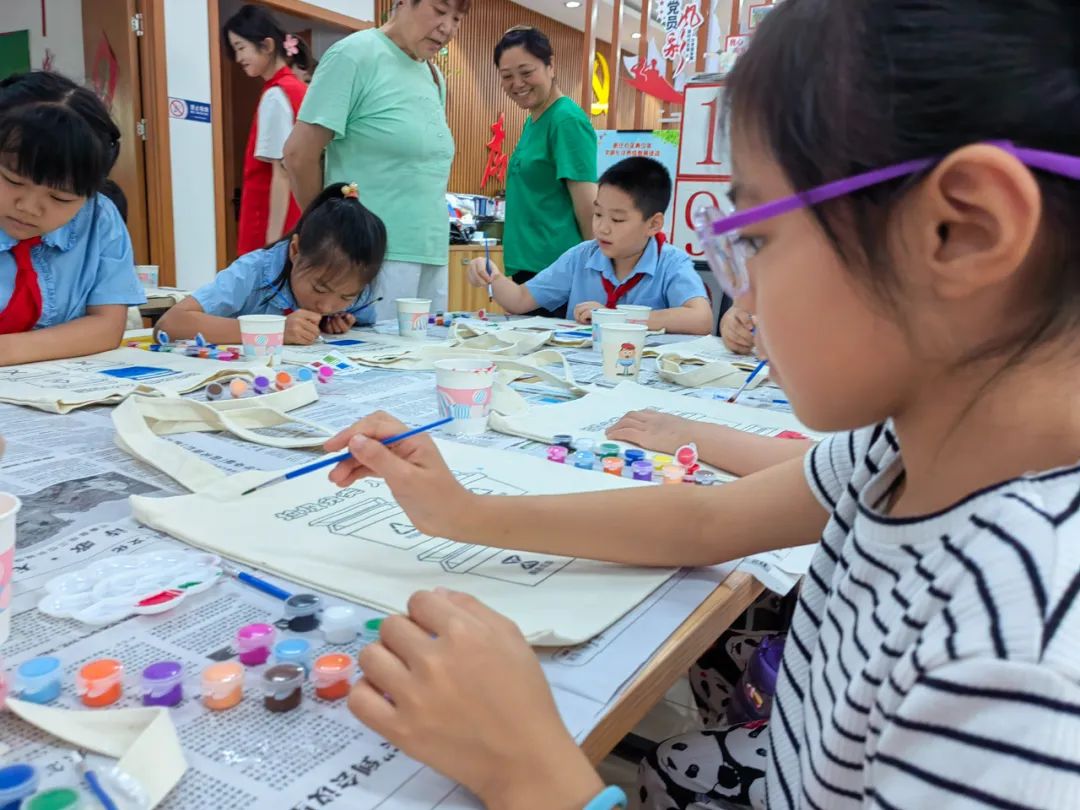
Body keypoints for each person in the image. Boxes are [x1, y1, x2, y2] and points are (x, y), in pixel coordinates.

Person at [320, 1, 1080, 807]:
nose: (740, 298)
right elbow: (707, 520)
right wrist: (462, 513)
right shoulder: (906, 450)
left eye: (756, 238)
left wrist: (528, 771)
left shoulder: (1020, 674)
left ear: (963, 232)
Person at [284, 0, 471, 322]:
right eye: (440, 11)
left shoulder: (433, 76)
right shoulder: (355, 54)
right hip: (368, 256)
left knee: (427, 351)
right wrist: (328, 234)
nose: (448, 28)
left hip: (431, 252)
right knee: (370, 352)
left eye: (457, 18)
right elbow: (299, 154)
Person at [471, 157, 712, 333]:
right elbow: (520, 299)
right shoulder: (582, 256)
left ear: (653, 224)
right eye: (598, 214)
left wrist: (616, 318)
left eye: (617, 219)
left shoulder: (670, 262)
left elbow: (701, 319)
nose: (602, 228)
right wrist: (493, 276)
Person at [0, 71, 143, 366]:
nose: (29, 207)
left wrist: (8, 351)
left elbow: (106, 326)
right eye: (12, 181)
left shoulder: (99, 219)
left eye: (60, 198)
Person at [155, 183, 385, 346]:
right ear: (295, 251)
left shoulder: (356, 284)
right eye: (319, 288)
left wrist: (339, 322)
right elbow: (169, 324)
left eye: (345, 297)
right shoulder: (253, 271)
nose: (327, 305)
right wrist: (274, 331)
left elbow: (362, 320)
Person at [474, 27, 597, 296]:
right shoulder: (534, 120)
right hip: (530, 270)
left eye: (527, 72)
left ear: (551, 66)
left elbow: (589, 208)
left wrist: (595, 278)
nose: (517, 83)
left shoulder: (566, 120)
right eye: (507, 76)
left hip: (557, 272)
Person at [223, 4, 308, 255]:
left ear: (267, 45)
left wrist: (271, 246)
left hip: (270, 225)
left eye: (241, 48)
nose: (238, 58)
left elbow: (281, 173)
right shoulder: (299, 90)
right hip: (297, 220)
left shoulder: (275, 95)